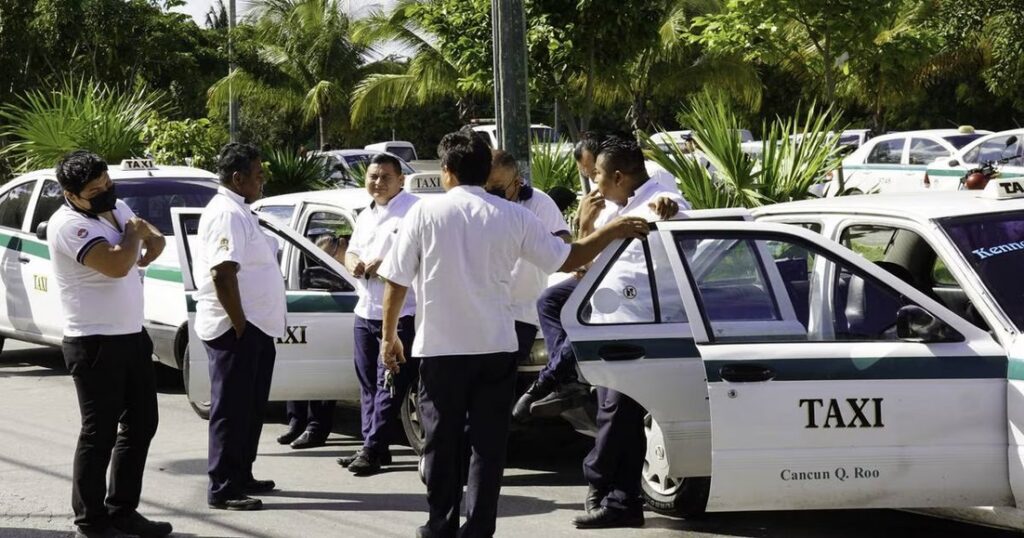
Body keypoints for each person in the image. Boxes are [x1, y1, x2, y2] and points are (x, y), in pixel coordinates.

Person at [376, 127, 651, 538]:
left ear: (447, 171)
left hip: (441, 350)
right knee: (488, 446)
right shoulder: (513, 215)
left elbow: (395, 281)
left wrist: (389, 336)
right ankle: (480, 528)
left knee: (441, 442)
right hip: (497, 348)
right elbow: (566, 258)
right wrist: (610, 231)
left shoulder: (423, 213)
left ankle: (440, 525)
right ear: (487, 171)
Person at [49, 150, 171, 538]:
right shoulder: (68, 225)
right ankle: (90, 520)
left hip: (131, 335)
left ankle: (122, 510)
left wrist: (146, 236)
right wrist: (135, 235)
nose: (105, 193)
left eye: (107, 184)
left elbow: (152, 237)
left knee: (141, 425)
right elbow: (118, 265)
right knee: (98, 433)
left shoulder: (114, 205)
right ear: (71, 193)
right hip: (94, 341)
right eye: (94, 190)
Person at [574, 134, 689, 529]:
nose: (595, 186)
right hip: (606, 327)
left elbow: (680, 214)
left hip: (640, 329)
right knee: (617, 415)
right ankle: (622, 501)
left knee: (617, 413)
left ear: (620, 176)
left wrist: (671, 208)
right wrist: (586, 224)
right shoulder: (615, 209)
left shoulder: (659, 201)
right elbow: (580, 267)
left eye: (599, 178)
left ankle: (600, 480)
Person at [194, 142, 286, 511]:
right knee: (231, 411)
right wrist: (240, 324)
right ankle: (223, 486)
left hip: (255, 328)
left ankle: (241, 473)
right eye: (258, 174)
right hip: (236, 331)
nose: (262, 180)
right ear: (238, 178)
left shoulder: (240, 209)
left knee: (250, 408)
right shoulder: (226, 213)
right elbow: (223, 273)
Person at [337, 152, 419, 476]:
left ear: (401, 180)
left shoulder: (414, 211)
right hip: (365, 309)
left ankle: (372, 449)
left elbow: (417, 256)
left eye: (385, 177)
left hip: (402, 312)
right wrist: (352, 261)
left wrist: (386, 265)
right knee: (367, 384)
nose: (378, 182)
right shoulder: (366, 214)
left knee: (389, 381)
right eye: (373, 176)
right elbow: (352, 250)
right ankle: (373, 445)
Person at [483, 150, 571, 370]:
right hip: (483, 312)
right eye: (486, 188)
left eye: (498, 189)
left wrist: (531, 241)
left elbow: (564, 242)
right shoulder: (478, 204)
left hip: (520, 314)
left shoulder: (539, 202)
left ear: (518, 182)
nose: (492, 196)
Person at [276, 234, 347, 450]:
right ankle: (297, 421)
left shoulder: (356, 251)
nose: (327, 264)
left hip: (342, 318)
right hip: (311, 315)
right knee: (302, 368)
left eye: (330, 257)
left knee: (323, 374)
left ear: (342, 243)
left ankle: (316, 427)